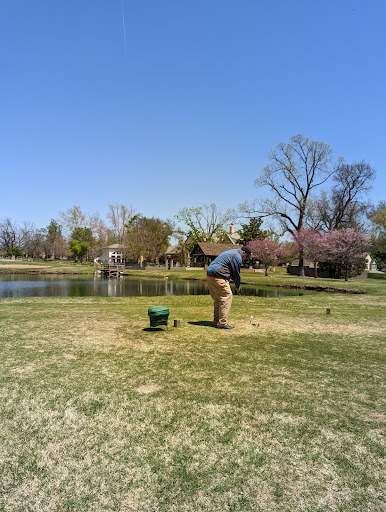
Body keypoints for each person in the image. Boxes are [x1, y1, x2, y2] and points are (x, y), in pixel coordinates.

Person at [206, 246, 252, 329]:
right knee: (226, 296)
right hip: (218, 275)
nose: (246, 259)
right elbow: (236, 273)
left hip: (210, 274)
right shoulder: (237, 256)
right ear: (244, 252)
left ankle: (217, 321)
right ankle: (222, 323)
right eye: (246, 256)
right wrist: (237, 286)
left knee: (218, 298)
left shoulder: (233, 252)